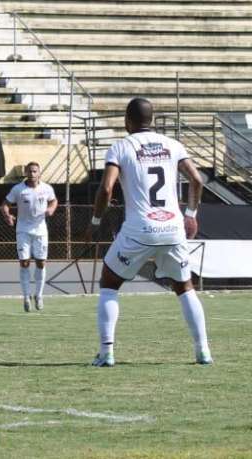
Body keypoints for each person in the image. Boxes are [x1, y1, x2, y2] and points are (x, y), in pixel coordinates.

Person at [89, 98, 211, 367]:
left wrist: (96, 221)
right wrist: (190, 215)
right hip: (172, 227)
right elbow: (197, 179)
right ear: (152, 119)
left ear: (127, 121)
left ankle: (106, 352)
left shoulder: (121, 147)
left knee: (109, 285)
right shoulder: (173, 144)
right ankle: (203, 351)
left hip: (139, 229)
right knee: (185, 287)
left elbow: (107, 189)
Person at [2, 162, 58, 312]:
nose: (32, 174)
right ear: (26, 173)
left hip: (40, 231)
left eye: (35, 171)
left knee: (41, 263)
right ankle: (26, 297)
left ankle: (38, 295)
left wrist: (51, 209)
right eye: (30, 171)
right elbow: (5, 204)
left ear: (39, 173)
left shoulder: (46, 188)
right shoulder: (19, 189)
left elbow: (53, 200)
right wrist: (7, 215)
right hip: (23, 231)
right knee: (24, 263)